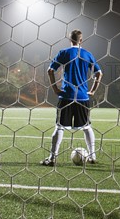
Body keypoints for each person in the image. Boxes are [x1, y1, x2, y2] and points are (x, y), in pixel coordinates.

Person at [41, 29, 102, 166]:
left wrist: (55, 88)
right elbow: (99, 73)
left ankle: (52, 158)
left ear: (70, 39)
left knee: (59, 127)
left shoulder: (64, 53)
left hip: (66, 96)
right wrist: (92, 91)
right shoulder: (87, 54)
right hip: (82, 97)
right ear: (81, 40)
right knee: (87, 127)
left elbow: (50, 70)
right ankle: (92, 156)